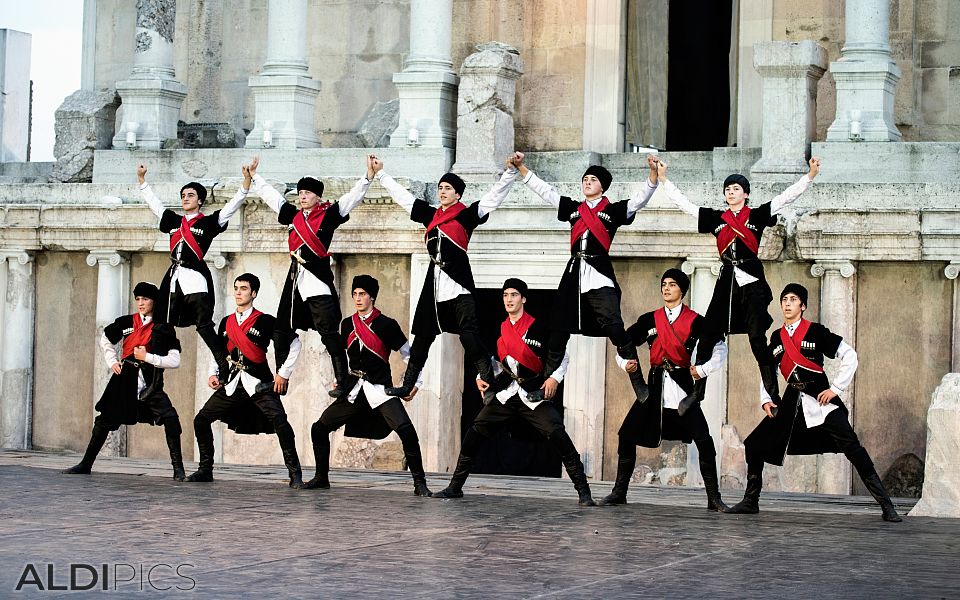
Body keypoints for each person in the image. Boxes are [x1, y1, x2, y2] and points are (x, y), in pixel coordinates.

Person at [656, 157, 821, 415]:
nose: (731, 192)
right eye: (728, 189)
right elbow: (685, 206)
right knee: (707, 335)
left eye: (736, 189)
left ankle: (773, 396)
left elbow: (787, 197)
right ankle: (696, 394)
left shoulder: (756, 215)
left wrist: (809, 176)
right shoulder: (715, 218)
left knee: (757, 340)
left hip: (752, 282)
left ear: (745, 194)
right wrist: (664, 180)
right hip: (726, 282)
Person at [726, 283, 902, 522]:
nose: (787, 303)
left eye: (793, 299)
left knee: (853, 448)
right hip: (790, 403)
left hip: (821, 400)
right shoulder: (777, 336)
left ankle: (886, 505)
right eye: (784, 299)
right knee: (754, 444)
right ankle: (750, 501)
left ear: (803, 306)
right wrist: (767, 399)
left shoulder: (816, 331)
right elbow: (768, 369)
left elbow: (850, 355)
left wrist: (835, 389)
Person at [431, 278, 596, 506]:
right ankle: (455, 487)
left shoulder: (539, 327)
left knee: (559, 435)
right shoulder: (500, 330)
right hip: (507, 393)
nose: (509, 299)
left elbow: (561, 356)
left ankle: (584, 493)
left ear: (523, 299)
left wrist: (554, 379)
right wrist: (481, 378)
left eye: (514, 295)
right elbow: (495, 363)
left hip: (533, 395)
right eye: (506, 295)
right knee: (474, 435)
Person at [513, 152, 659, 405]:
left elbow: (639, 200)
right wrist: (521, 169)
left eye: (592, 179)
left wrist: (654, 175)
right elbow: (546, 192)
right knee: (558, 331)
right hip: (573, 274)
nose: (587, 182)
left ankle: (638, 381)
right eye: (585, 179)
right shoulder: (573, 209)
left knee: (615, 328)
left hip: (599, 273)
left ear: (603, 186)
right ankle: (545, 384)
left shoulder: (612, 210)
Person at [375, 156, 521, 398]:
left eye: (448, 188)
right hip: (435, 284)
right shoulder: (430, 215)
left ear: (458, 195)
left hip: (458, 283)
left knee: (469, 335)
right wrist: (381, 175)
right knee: (422, 336)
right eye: (440, 187)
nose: (442, 191)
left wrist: (510, 173)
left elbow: (492, 198)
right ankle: (409, 383)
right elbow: (404, 198)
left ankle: (488, 378)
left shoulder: (465, 216)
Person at [247, 156, 377, 398]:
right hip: (295, 281)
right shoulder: (293, 216)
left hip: (317, 282)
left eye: (307, 193)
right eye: (300, 193)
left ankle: (343, 381)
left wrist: (368, 176)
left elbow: (352, 198)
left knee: (329, 335)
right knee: (280, 332)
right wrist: (255, 177)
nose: (302, 196)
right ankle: (279, 378)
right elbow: (273, 198)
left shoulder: (328, 215)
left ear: (318, 196)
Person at [601, 269, 730, 511]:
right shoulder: (649, 320)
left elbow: (720, 347)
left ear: (682, 290)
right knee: (626, 435)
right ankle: (619, 492)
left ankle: (713, 498)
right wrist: (625, 364)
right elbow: (624, 345)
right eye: (663, 284)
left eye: (672, 284)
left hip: (683, 389)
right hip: (653, 388)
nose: (666, 288)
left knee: (704, 440)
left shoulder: (697, 321)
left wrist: (703, 370)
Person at [303, 275, 430, 496]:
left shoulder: (386, 324)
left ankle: (420, 484)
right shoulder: (347, 324)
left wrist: (414, 383)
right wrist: (339, 378)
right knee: (319, 428)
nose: (358, 298)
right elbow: (340, 356)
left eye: (362, 294)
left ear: (372, 296)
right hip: (354, 389)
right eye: (355, 294)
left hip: (379, 389)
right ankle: (321, 477)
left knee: (407, 431)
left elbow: (410, 355)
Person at [186, 273, 305, 488]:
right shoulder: (227, 322)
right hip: (232, 383)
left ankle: (295, 474)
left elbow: (294, 343)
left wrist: (283, 373)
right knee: (201, 420)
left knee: (281, 422)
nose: (238, 292)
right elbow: (219, 352)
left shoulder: (266, 321)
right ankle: (205, 470)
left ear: (254, 293)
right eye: (236, 288)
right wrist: (214, 374)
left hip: (259, 383)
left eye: (243, 288)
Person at [137, 163, 251, 383]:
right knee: (161, 325)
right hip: (174, 277)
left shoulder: (207, 223)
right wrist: (142, 181)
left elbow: (232, 206)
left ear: (200, 200)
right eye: (183, 195)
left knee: (204, 324)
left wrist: (245, 184)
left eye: (190, 195)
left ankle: (222, 363)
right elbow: (155, 204)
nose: (185, 198)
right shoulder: (173, 221)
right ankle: (154, 379)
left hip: (195, 276)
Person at [63, 282, 185, 480]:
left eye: (145, 299)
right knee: (104, 421)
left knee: (171, 419)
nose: (141, 303)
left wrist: (149, 358)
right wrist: (112, 361)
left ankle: (178, 469)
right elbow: (105, 338)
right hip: (124, 379)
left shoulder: (163, 327)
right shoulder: (126, 322)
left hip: (150, 381)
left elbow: (175, 360)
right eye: (138, 299)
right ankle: (85, 464)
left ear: (155, 301)